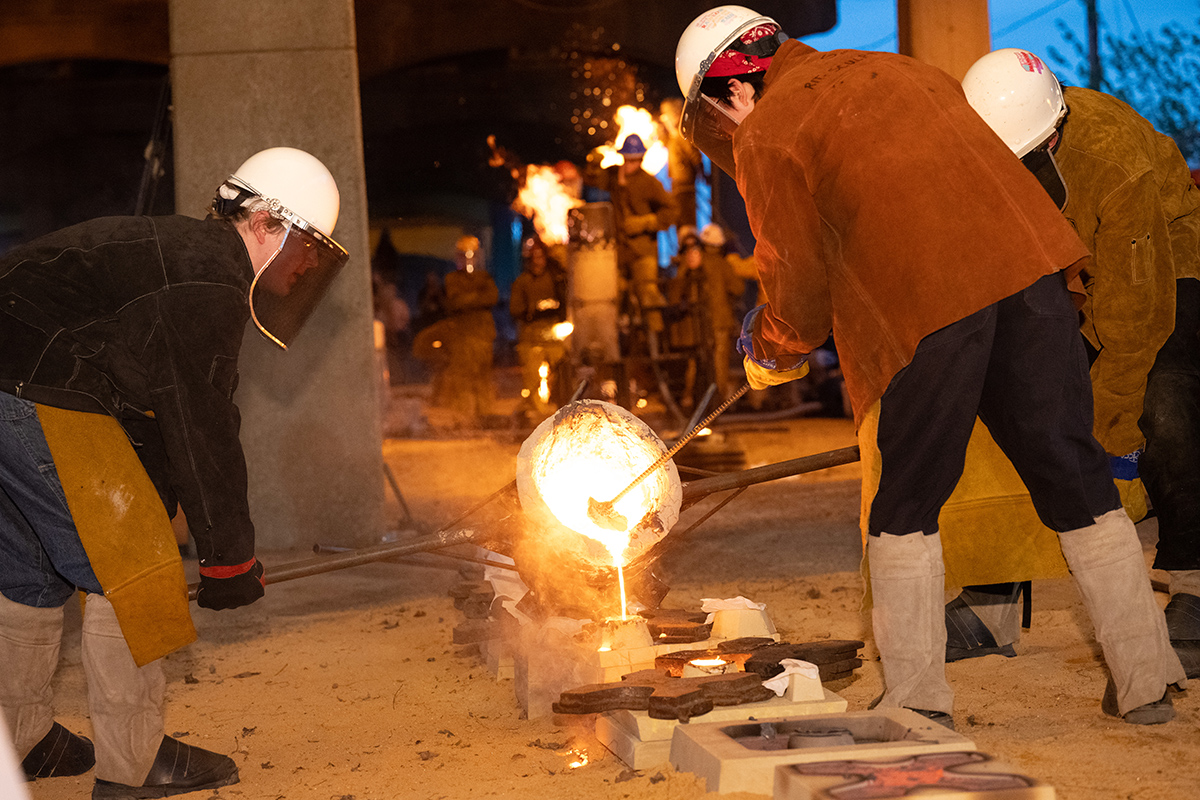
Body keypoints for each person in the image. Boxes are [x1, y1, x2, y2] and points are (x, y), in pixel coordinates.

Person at [674, 6, 1185, 725]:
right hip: (1032, 279)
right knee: (1076, 478)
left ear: (727, 93)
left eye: (720, 123)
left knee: (905, 505)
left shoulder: (770, 128)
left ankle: (915, 700)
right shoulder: (903, 72)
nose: (729, 136)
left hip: (929, 303)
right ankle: (1146, 679)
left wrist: (769, 347)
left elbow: (797, 286)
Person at [0, 146, 349, 795]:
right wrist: (229, 560)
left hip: (16, 376)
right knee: (133, 567)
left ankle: (23, 740)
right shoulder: (205, 276)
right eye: (307, 245)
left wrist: (162, 508)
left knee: (29, 568)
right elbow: (203, 424)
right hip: (29, 382)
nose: (307, 266)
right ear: (268, 221)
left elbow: (148, 415)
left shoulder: (176, 255)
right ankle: (132, 763)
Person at [938, 49, 1200, 677]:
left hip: (1166, 256)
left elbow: (1134, 319)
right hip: (1069, 263)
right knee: (1004, 390)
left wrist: (1112, 434)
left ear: (1052, 135)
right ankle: (994, 595)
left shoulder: (1112, 156)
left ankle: (1194, 582)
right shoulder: (991, 138)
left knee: (1164, 397)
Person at [587, 134, 678, 345]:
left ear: (642, 159)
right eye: (627, 159)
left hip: (643, 251)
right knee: (611, 296)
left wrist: (645, 222)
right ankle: (616, 343)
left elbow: (672, 210)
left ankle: (657, 348)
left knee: (648, 297)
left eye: (635, 159)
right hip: (619, 251)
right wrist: (594, 159)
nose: (630, 164)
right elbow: (591, 177)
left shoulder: (649, 183)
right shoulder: (612, 177)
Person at [667, 238, 743, 404]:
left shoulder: (684, 269)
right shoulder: (721, 264)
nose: (692, 256)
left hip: (704, 325)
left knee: (697, 363)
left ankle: (693, 399)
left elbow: (673, 297)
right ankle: (717, 401)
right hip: (716, 322)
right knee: (717, 362)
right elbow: (738, 287)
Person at [441, 235, 499, 424]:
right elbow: (455, 302)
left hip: (483, 337)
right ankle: (465, 418)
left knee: (482, 377)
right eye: (463, 255)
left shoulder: (485, 278)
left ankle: (483, 416)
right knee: (463, 378)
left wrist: (469, 299)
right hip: (463, 337)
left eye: (471, 255)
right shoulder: (452, 279)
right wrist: (477, 298)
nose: (468, 259)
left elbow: (491, 297)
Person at [510, 238, 568, 417]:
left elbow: (564, 302)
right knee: (532, 376)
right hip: (531, 336)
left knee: (560, 371)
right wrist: (532, 311)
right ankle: (537, 410)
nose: (537, 261)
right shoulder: (522, 282)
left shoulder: (555, 280)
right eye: (533, 257)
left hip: (553, 334)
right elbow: (515, 309)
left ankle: (561, 406)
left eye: (540, 257)